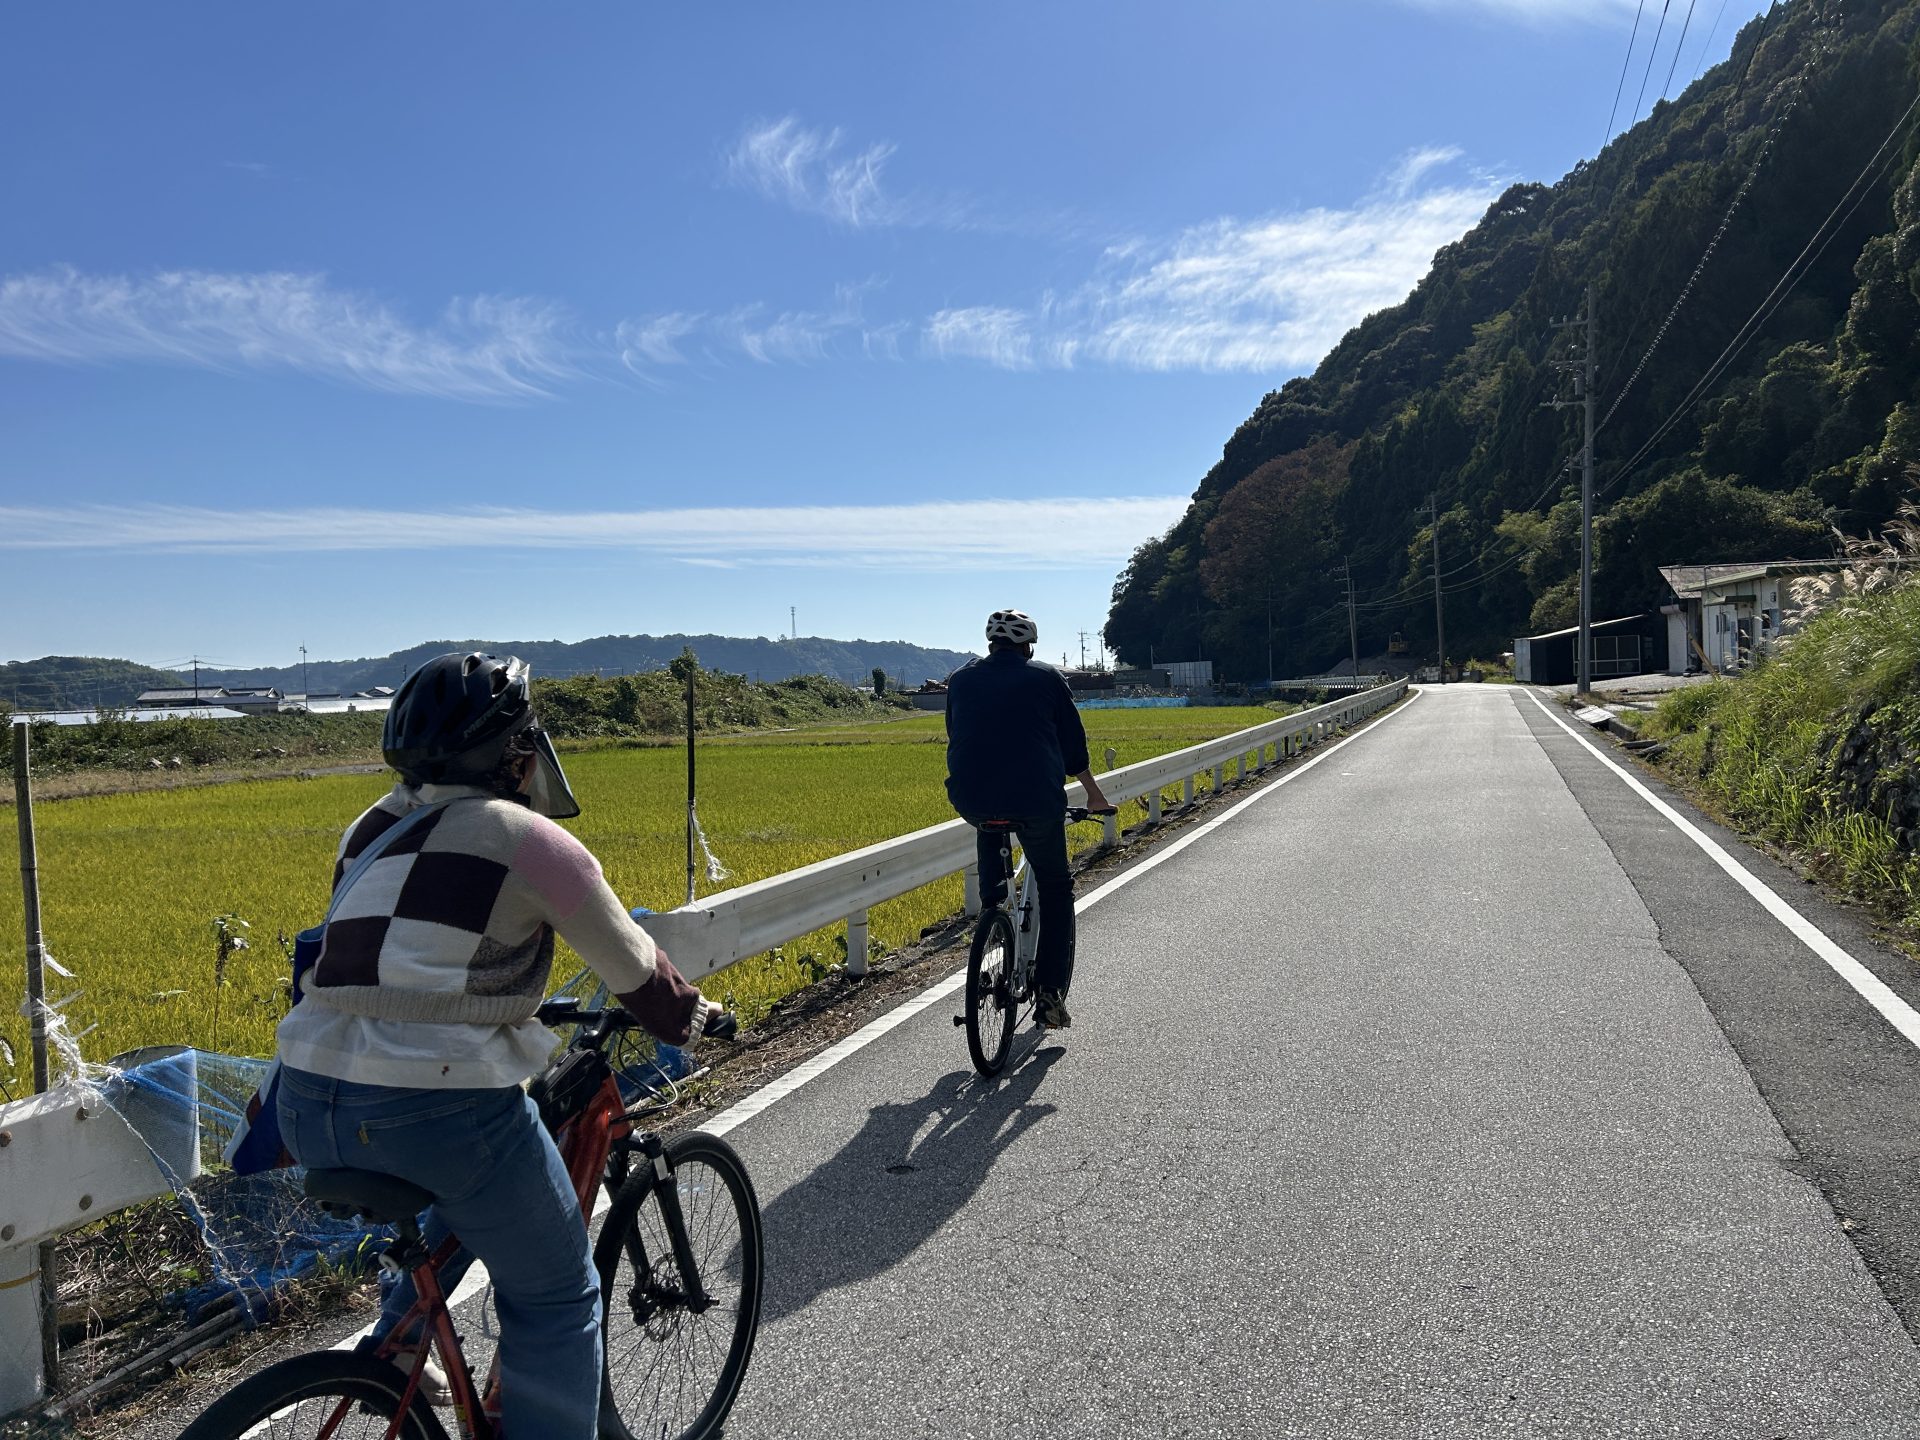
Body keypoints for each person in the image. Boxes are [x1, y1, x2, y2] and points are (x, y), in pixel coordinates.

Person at [273, 651, 725, 1439]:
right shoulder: (531, 840)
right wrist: (694, 1019)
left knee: (455, 1194)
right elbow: (632, 966)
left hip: (307, 1095)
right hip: (436, 1104)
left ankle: (396, 1354)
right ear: (516, 754)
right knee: (556, 1297)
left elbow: (394, 955)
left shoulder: (369, 829)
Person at [944, 609, 1114, 1029]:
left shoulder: (960, 681)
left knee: (991, 829)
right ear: (1028, 646)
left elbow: (958, 735)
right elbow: (1072, 747)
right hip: (1037, 800)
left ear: (989, 645)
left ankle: (992, 914)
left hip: (973, 798)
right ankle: (1051, 992)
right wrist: (1093, 794)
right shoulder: (1046, 678)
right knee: (1056, 888)